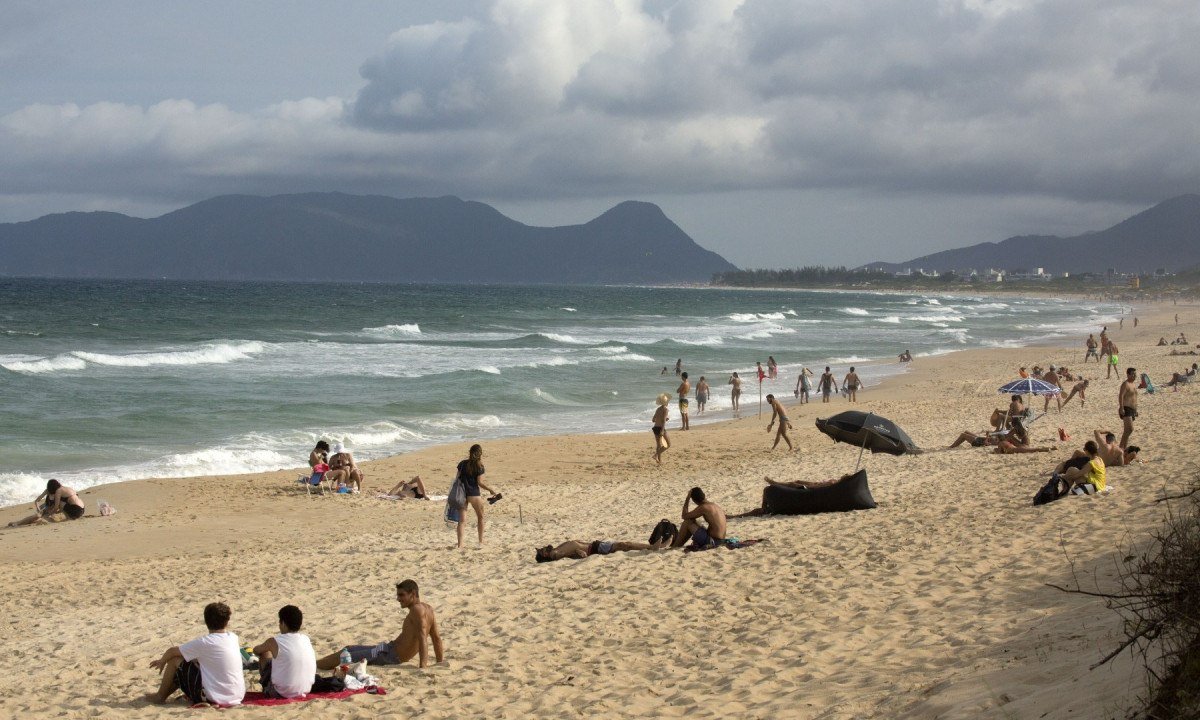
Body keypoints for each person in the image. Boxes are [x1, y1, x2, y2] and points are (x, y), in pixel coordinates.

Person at [318, 580, 443, 669]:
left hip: (390, 656)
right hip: (388, 649)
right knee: (349, 649)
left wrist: (423, 667)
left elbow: (422, 638)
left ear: (413, 594)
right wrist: (439, 662)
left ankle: (311, 666)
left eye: (402, 595)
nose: (398, 599)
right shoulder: (429, 609)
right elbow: (436, 638)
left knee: (346, 656)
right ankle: (313, 664)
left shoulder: (416, 610)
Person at [147, 602, 245, 706]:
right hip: (237, 695)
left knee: (175, 660)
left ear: (206, 621)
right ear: (227, 622)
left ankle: (160, 697)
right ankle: (163, 694)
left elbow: (172, 651)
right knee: (188, 662)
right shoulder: (233, 637)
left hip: (213, 697)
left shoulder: (205, 642)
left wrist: (161, 661)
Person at [251, 605, 316, 699]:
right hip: (305, 689)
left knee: (265, 654)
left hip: (281, 693)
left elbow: (256, 650)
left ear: (283, 624)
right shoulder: (305, 639)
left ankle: (265, 687)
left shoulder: (274, 641)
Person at [455, 444, 499, 548]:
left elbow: (457, 479)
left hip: (462, 494)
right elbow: (479, 483)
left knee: (461, 521)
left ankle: (460, 545)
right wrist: (490, 489)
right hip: (474, 494)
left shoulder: (462, 464)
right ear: (480, 454)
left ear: (470, 452)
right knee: (480, 517)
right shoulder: (479, 466)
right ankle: (480, 542)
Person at [8, 478, 87, 527]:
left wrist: (49, 514)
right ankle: (23, 521)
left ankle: (19, 523)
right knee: (40, 514)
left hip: (75, 511)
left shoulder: (58, 491)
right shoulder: (66, 489)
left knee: (40, 515)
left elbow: (56, 507)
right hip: (82, 510)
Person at [535, 536, 673, 563]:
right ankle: (655, 547)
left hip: (595, 546)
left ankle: (656, 547)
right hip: (595, 549)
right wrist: (578, 552)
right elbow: (570, 554)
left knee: (625, 545)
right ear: (545, 555)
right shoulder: (555, 554)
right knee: (625, 545)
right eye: (541, 550)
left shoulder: (556, 550)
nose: (542, 547)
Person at [1119, 367, 1138, 449]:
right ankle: (1120, 449)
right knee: (1129, 429)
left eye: (1135, 374)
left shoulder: (1133, 384)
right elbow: (1121, 396)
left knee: (1127, 431)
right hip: (1126, 408)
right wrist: (1121, 407)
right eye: (1133, 374)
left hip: (1132, 409)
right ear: (1128, 375)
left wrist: (1136, 409)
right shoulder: (1125, 384)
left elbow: (1134, 397)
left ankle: (1123, 449)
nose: (1134, 376)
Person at [651, 393, 671, 465]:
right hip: (661, 428)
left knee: (658, 445)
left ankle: (659, 461)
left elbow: (653, 420)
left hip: (655, 427)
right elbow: (664, 422)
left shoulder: (658, 409)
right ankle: (655, 455)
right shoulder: (665, 410)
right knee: (668, 444)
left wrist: (660, 419)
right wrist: (662, 430)